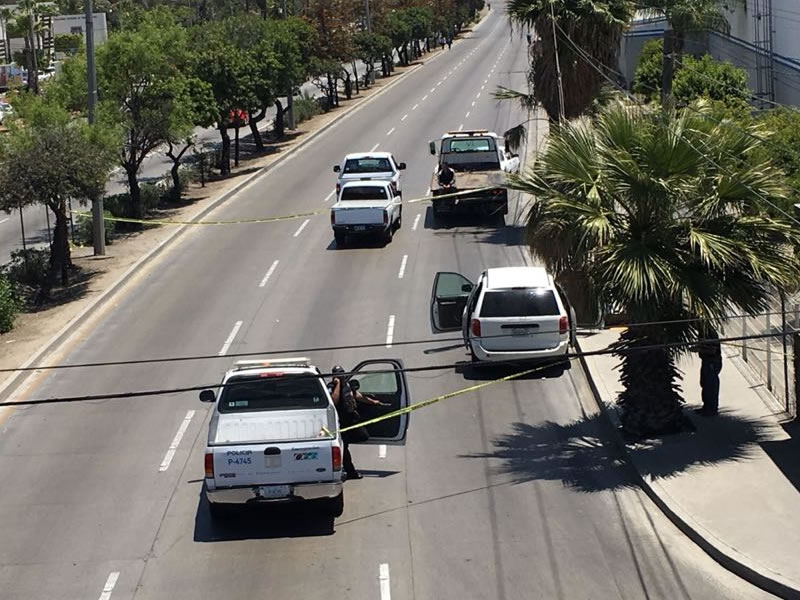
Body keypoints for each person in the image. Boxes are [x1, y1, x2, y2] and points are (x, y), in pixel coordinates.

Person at [329, 365, 382, 479]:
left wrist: (373, 402)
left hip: (352, 418)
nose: (341, 376)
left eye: (342, 373)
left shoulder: (348, 384)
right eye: (338, 374)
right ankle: (351, 472)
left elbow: (357, 395)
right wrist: (337, 384)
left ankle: (345, 442)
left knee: (363, 436)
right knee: (344, 448)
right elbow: (334, 400)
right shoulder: (332, 387)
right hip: (341, 421)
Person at [696, 331, 722, 416]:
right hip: (705, 360)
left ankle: (712, 408)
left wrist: (699, 349)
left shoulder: (711, 333)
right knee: (704, 383)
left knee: (711, 384)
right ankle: (706, 406)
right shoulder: (701, 332)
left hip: (712, 362)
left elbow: (714, 350)